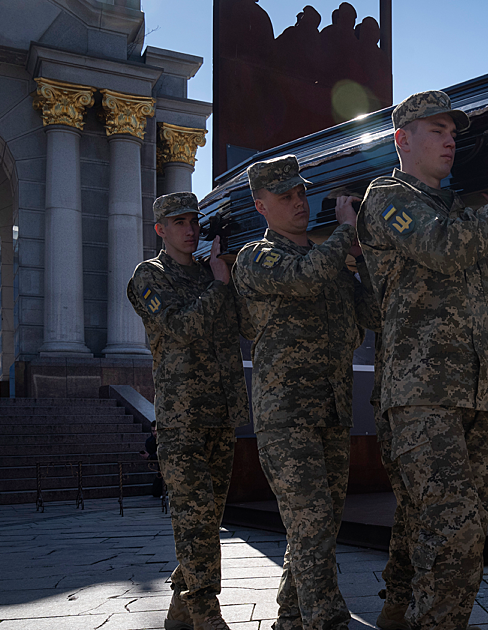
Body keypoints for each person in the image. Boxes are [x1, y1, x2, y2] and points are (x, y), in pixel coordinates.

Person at [358, 90, 488, 630]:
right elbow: (444, 249)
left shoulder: (467, 211)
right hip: (421, 395)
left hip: (478, 394)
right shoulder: (386, 197)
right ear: (402, 139)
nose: (450, 140)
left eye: (454, 132)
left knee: (439, 528)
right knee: (451, 535)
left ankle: (398, 615)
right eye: (437, 130)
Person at [234, 155, 373, 630]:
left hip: (333, 413)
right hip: (286, 417)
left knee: (319, 527)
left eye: (301, 192)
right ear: (261, 205)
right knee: (312, 525)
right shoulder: (257, 258)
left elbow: (369, 316)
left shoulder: (335, 262)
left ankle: (291, 617)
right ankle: (327, 622)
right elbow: (304, 275)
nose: (298, 201)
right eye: (285, 195)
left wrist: (367, 256)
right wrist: (343, 232)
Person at [128, 192, 250, 630]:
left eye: (194, 221)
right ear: (160, 229)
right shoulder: (149, 276)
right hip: (182, 420)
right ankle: (205, 612)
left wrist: (227, 276)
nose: (190, 229)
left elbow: (242, 324)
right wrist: (218, 284)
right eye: (179, 222)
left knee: (208, 519)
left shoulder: (210, 272)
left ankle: (181, 608)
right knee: (195, 519)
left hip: (221, 413)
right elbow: (178, 329)